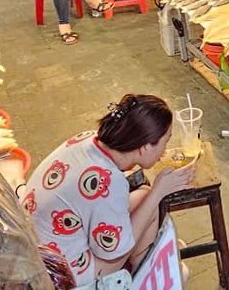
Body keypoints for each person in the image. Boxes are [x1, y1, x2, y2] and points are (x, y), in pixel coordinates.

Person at [22, 95, 196, 288]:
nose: (165, 150)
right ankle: (146, 278)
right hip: (62, 276)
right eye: (165, 141)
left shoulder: (88, 139)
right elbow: (115, 255)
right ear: (145, 147)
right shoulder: (108, 182)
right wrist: (158, 192)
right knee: (149, 201)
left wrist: (150, 195)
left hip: (34, 251)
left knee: (142, 197)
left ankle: (150, 258)